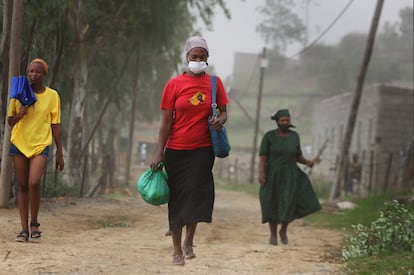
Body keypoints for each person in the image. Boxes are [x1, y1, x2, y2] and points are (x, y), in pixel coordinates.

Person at [151, 36, 229, 265]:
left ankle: (189, 241)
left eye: (202, 57)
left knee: (195, 195)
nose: (197, 60)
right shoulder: (174, 85)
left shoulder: (215, 84)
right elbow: (165, 122)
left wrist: (220, 120)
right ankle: (176, 249)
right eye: (194, 57)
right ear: (187, 57)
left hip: (203, 151)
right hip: (176, 150)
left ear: (207, 59)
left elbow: (224, 112)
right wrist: (159, 152)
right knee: (177, 198)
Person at [8, 58, 64, 242]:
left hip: (40, 144)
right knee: (22, 185)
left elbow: (55, 126)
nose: (33, 75)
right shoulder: (18, 92)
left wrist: (60, 154)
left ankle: (35, 222)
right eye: (31, 71)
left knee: (34, 182)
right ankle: (24, 230)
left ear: (44, 75)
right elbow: (10, 121)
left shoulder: (52, 96)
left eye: (37, 72)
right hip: (20, 143)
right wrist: (19, 114)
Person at [258, 109, 321, 245]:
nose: (285, 123)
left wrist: (307, 162)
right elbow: (263, 156)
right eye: (283, 121)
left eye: (288, 120)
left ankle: (284, 231)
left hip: (290, 175)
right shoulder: (269, 136)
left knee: (288, 203)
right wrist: (261, 173)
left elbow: (297, 155)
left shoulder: (295, 136)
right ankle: (273, 235)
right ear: (277, 122)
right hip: (272, 175)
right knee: (271, 203)